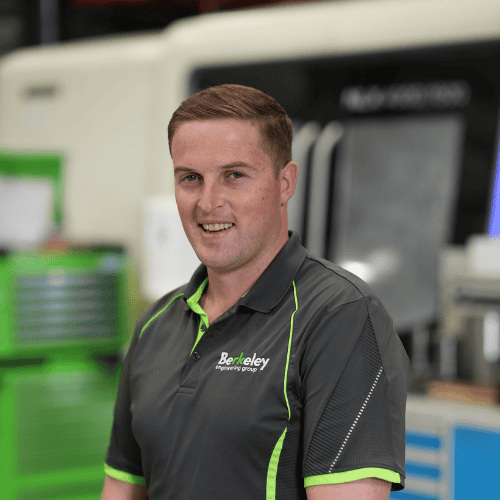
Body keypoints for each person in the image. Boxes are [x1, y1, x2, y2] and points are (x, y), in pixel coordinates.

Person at [101, 84, 409, 500]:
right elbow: (121, 489)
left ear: (285, 183)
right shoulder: (155, 324)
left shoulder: (341, 317)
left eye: (234, 175)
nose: (208, 203)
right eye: (190, 178)